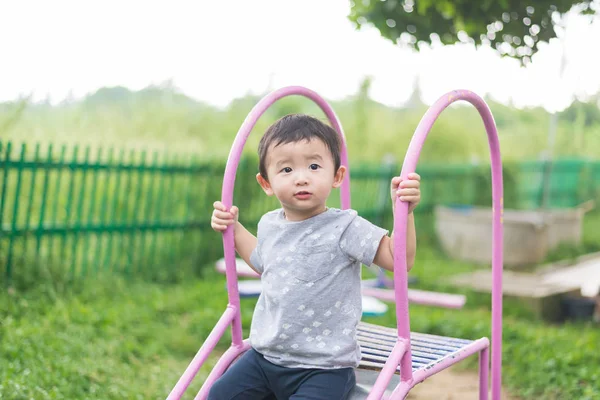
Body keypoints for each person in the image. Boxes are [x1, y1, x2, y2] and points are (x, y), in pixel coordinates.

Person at [209, 114, 421, 400]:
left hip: (324, 368)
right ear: (266, 183)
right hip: (264, 359)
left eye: (313, 166)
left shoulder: (346, 227)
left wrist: (403, 212)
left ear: (337, 176)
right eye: (286, 169)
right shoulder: (269, 224)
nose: (301, 177)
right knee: (220, 394)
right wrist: (233, 230)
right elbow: (261, 260)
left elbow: (399, 261)